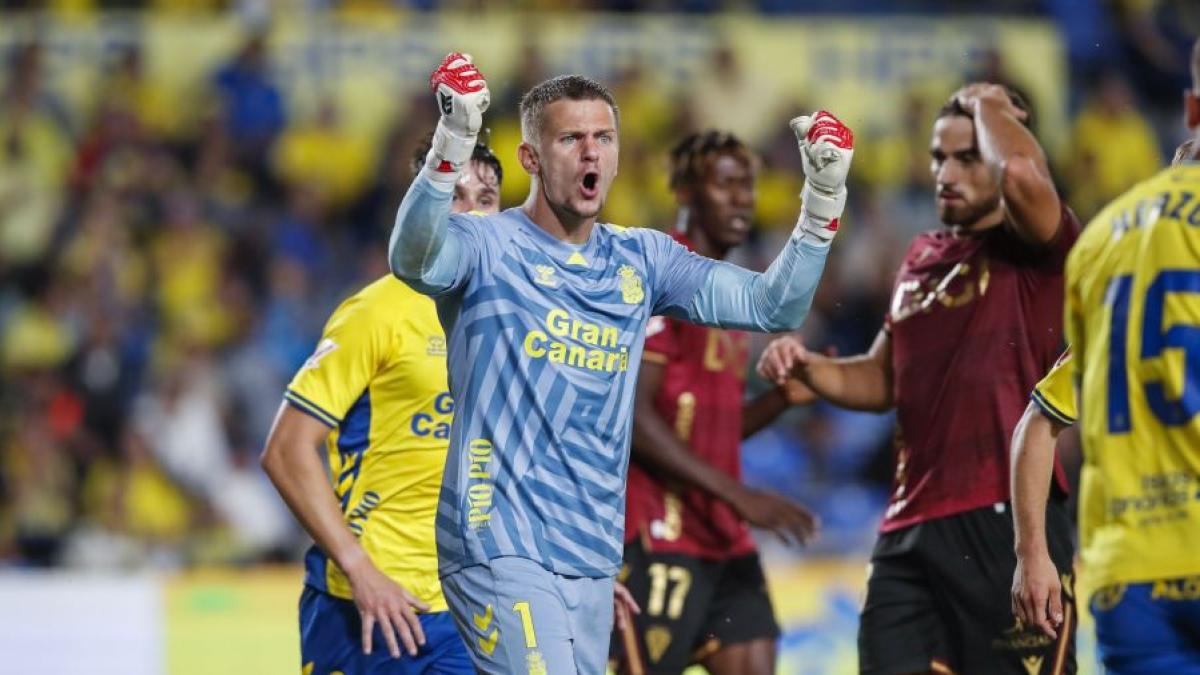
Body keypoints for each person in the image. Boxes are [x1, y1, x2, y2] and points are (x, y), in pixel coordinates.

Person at [388, 53, 854, 674]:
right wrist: (453, 141)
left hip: (593, 558)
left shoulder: (644, 259)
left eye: (603, 138)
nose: (591, 152)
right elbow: (413, 259)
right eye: (570, 139)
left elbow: (774, 306)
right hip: (498, 540)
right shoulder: (486, 243)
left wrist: (821, 203)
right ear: (530, 158)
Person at [758, 82, 1080, 674]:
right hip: (909, 529)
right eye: (938, 158)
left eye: (967, 158)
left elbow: (1021, 175)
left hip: (1005, 520)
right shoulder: (920, 258)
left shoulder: (1034, 249)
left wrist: (985, 101)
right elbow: (884, 379)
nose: (945, 173)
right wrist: (810, 369)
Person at [259, 140, 503, 674]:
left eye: (485, 199)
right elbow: (285, 450)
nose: (472, 214)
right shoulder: (376, 310)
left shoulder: (511, 320)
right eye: (453, 196)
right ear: (422, 206)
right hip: (367, 605)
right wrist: (359, 568)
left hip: (467, 609)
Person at [1012, 38, 1200, 674]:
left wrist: (1032, 554)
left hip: (1128, 572)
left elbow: (1037, 423)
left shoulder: (1100, 243)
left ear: (1190, 111)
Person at [615, 130, 819, 675]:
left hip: (724, 539)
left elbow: (713, 429)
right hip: (659, 534)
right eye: (725, 184)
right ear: (686, 191)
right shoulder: (661, 275)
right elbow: (634, 418)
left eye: (748, 185)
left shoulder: (734, 294)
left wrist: (781, 399)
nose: (742, 199)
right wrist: (738, 494)